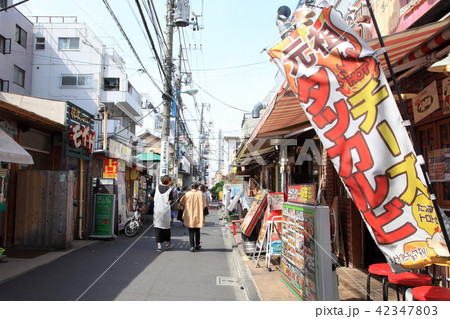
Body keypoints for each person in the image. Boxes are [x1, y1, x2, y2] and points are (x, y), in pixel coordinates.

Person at [180, 182, 206, 252]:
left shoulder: (187, 194)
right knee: (197, 230)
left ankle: (192, 246)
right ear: (197, 188)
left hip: (189, 214)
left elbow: (181, 201)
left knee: (191, 231)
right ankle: (197, 244)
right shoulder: (200, 195)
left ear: (191, 188)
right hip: (198, 213)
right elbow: (204, 206)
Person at [151, 175, 174, 252]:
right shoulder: (169, 190)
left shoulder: (157, 188)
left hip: (157, 210)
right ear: (168, 181)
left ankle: (159, 246)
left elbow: (150, 195)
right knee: (166, 227)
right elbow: (170, 200)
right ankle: (167, 243)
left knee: (158, 227)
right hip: (165, 211)